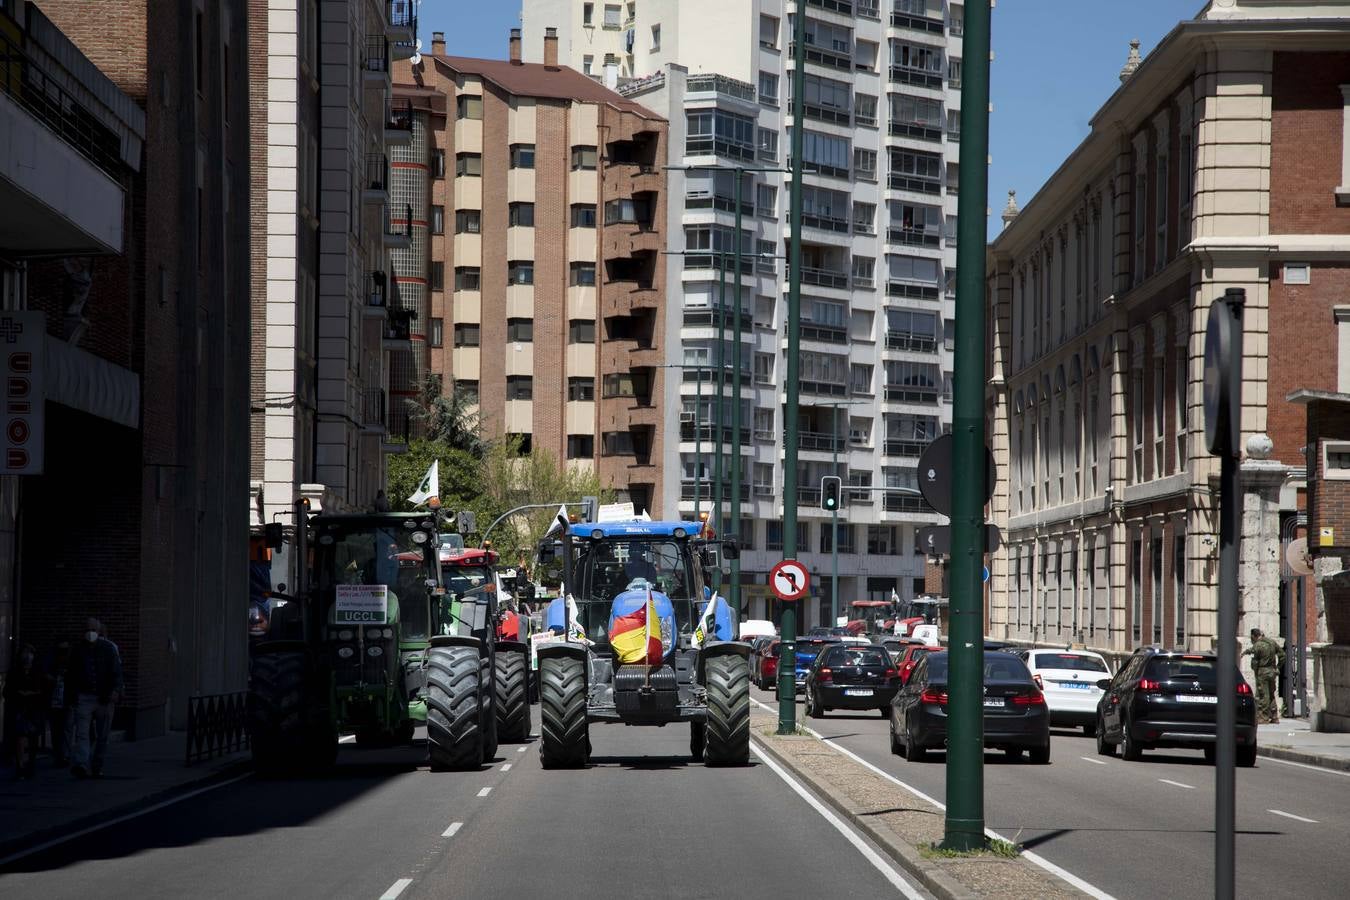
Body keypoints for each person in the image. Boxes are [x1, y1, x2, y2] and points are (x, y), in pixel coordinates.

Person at [68, 618, 123, 778]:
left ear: (99, 632)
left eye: (93, 629)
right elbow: (72, 675)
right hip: (84, 696)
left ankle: (97, 764)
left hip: (104, 697)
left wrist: (116, 690)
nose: (90, 632)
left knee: (102, 735)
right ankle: (82, 763)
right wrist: (73, 696)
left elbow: (116, 672)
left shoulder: (108, 649)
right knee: (82, 733)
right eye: (88, 629)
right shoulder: (78, 650)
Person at [4, 644, 45, 778]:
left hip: (33, 708)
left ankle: (29, 763)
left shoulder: (37, 672)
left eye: (30, 653)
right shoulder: (15, 672)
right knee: (20, 736)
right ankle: (21, 764)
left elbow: (42, 691)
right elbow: (8, 691)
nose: (27, 657)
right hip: (20, 708)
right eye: (25, 654)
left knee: (32, 737)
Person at [1243, 627, 1284, 725]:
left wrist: (1253, 666)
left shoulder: (1258, 645)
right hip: (1272, 671)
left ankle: (1263, 717)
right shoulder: (1272, 642)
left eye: (1251, 638)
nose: (1251, 640)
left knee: (1263, 694)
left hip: (1263, 672)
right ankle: (1274, 716)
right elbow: (1282, 655)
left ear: (1254, 636)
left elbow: (1255, 659)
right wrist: (1278, 667)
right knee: (1271, 693)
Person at [46, 641, 72, 766]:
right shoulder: (52, 664)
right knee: (59, 729)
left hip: (64, 701)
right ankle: (61, 755)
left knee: (63, 729)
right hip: (56, 700)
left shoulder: (69, 665)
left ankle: (63, 755)